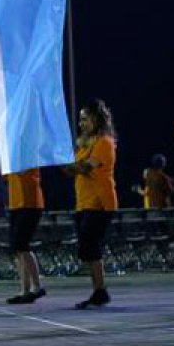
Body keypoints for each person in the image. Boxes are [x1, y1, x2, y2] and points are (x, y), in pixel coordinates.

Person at [64, 99, 118, 309]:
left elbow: (86, 167)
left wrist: (72, 164)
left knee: (89, 244)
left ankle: (100, 290)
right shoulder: (85, 145)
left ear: (96, 119)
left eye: (85, 119)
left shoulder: (104, 142)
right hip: (83, 202)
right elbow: (70, 170)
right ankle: (99, 290)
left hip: (100, 202)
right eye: (80, 120)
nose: (81, 123)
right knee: (87, 247)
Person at [5, 168, 46, 304]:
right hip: (15, 203)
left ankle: (37, 286)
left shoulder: (27, 154)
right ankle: (24, 289)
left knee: (22, 245)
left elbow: (20, 171)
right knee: (17, 248)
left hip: (30, 203)